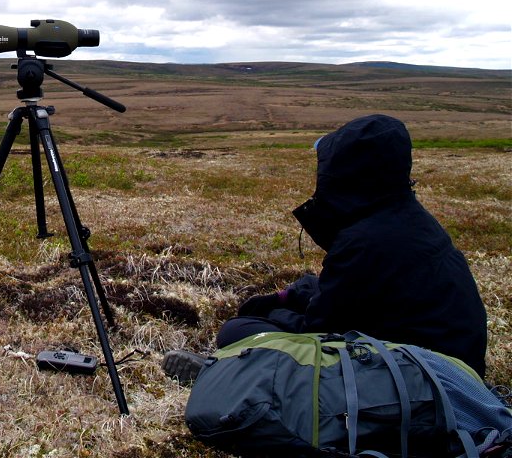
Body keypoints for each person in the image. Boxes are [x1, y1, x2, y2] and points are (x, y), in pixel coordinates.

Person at [163, 114, 489, 385]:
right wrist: (290, 296)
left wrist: (275, 314)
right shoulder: (406, 219)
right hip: (449, 368)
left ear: (347, 174)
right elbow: (354, 298)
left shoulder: (365, 240)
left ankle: (220, 376)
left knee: (239, 331)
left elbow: (320, 329)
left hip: (414, 382)